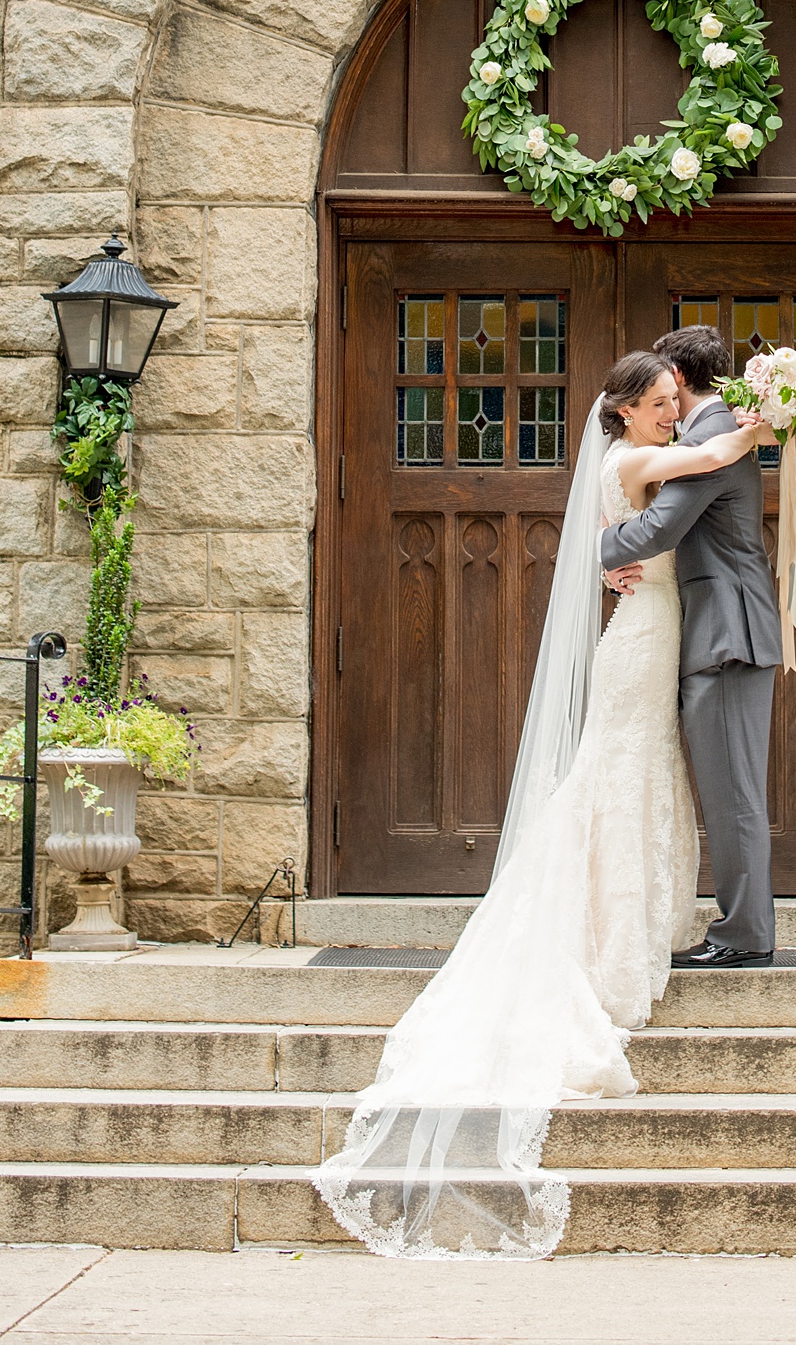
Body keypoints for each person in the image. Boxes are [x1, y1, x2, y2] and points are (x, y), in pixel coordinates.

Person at [313, 351, 764, 1258]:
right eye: (663, 403)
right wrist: (765, 419)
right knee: (621, 773)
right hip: (643, 638)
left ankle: (633, 915)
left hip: (658, 623)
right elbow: (709, 467)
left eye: (682, 401)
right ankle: (607, 932)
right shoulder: (630, 462)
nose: (678, 414)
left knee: (636, 778)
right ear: (628, 410)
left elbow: (677, 497)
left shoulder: (630, 459)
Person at [601, 323, 782, 966]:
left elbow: (659, 527)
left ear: (675, 380)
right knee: (730, 787)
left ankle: (743, 937)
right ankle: (743, 929)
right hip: (713, 630)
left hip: (726, 635)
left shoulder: (710, 437)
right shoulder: (712, 432)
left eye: (663, 389)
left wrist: (589, 553)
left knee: (733, 793)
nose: (665, 408)